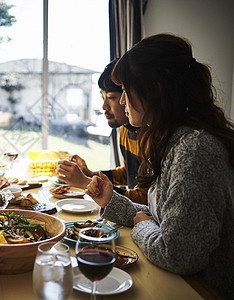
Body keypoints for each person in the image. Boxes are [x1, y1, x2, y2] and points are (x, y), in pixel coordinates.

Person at [86, 33, 234, 299]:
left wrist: (141, 222)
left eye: (125, 91)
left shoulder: (194, 149)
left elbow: (178, 254)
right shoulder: (174, 138)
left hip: (199, 290)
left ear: (155, 91)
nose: (120, 102)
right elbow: (166, 218)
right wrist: (112, 201)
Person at [56, 59, 147, 204]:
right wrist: (91, 174)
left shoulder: (152, 138)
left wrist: (87, 182)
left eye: (111, 98)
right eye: (102, 97)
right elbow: (127, 173)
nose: (104, 106)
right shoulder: (125, 130)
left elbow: (145, 198)